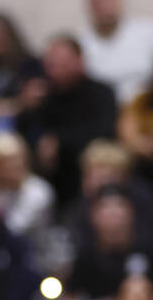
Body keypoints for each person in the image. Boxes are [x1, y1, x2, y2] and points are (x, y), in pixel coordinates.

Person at [15, 35, 117, 209]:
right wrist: (26, 109)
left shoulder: (101, 93)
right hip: (47, 176)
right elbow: (24, 135)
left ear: (79, 62)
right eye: (51, 62)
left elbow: (103, 132)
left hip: (84, 172)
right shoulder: (42, 96)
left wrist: (59, 141)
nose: (55, 68)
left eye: (62, 62)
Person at [78, 0, 153, 106]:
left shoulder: (147, 33)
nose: (103, 5)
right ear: (88, 6)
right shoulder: (80, 42)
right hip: (99, 113)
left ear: (120, 0)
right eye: (96, 0)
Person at [0, 133, 55, 246]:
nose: (12, 167)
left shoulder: (38, 191)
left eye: (16, 160)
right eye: (5, 163)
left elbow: (15, 229)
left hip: (32, 252)